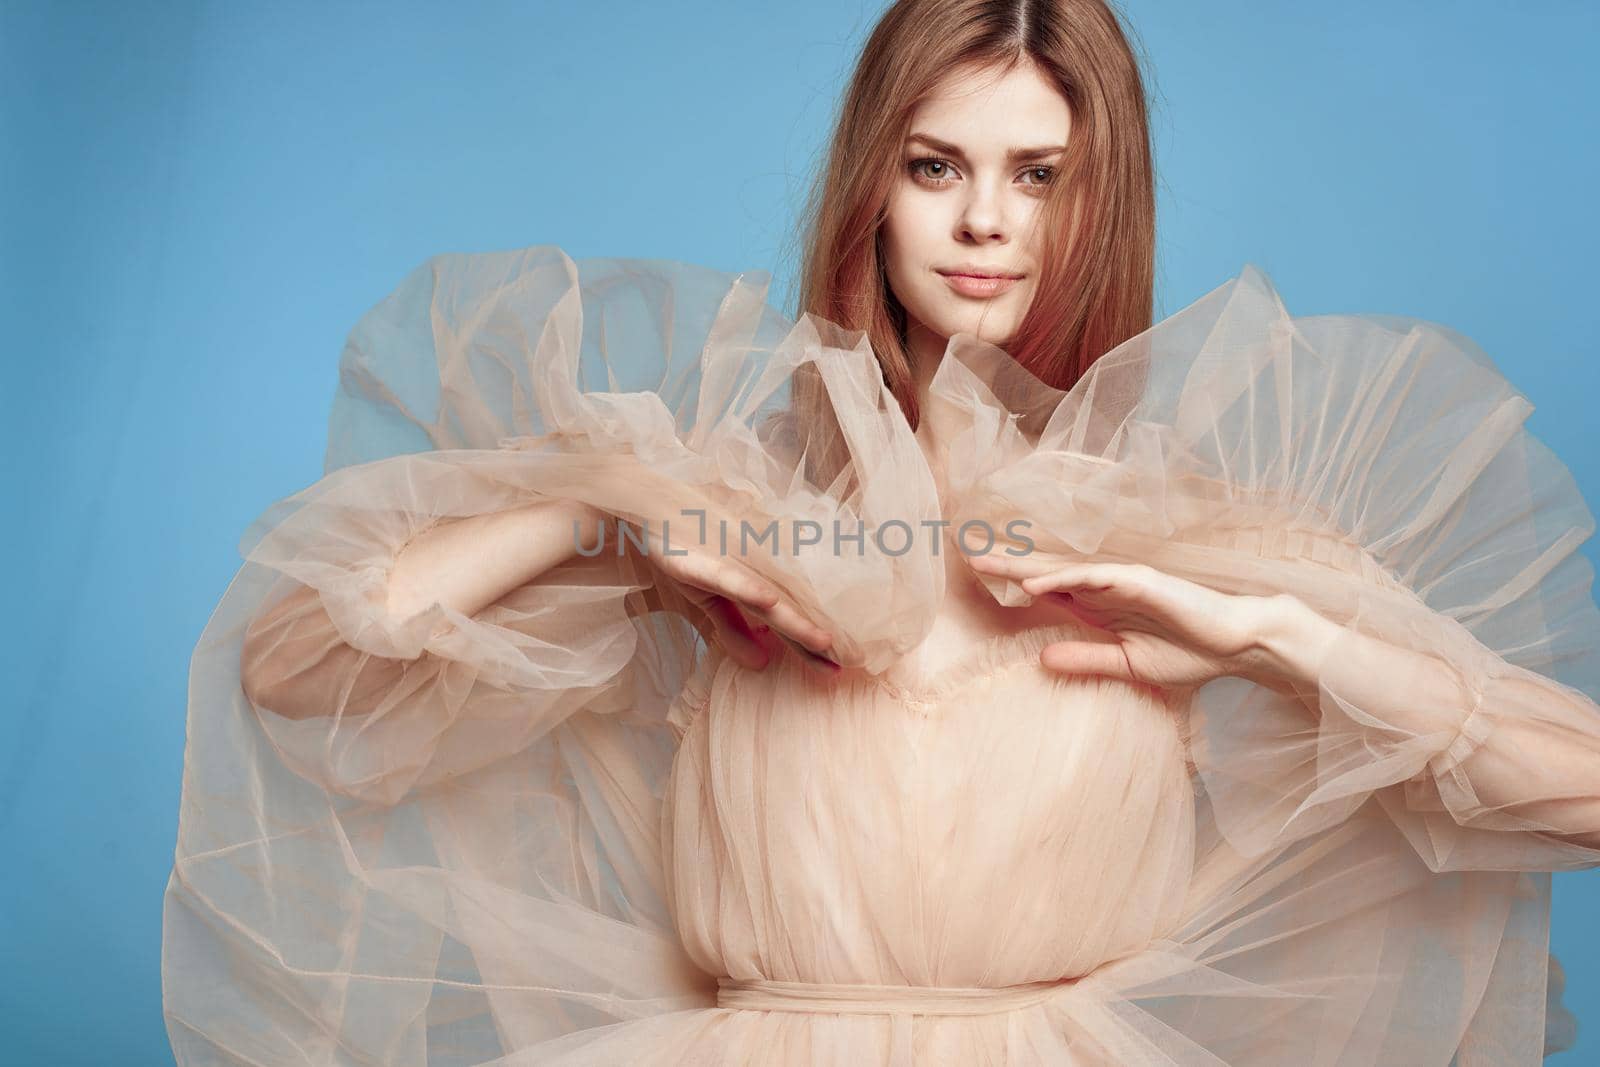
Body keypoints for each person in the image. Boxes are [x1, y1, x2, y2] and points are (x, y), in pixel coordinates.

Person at [161, 1, 1600, 1063]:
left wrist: (1270, 635)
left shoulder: (1185, 538)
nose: (986, 223)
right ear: (873, 190)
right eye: (936, 167)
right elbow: (295, 672)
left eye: (1039, 174)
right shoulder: (739, 522)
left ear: (1102, 202)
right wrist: (596, 515)